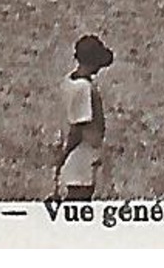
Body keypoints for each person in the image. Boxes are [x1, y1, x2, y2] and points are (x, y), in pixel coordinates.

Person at [54, 34, 113, 201]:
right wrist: (64, 157)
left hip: (77, 163)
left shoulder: (69, 82)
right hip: (80, 163)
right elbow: (78, 129)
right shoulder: (83, 88)